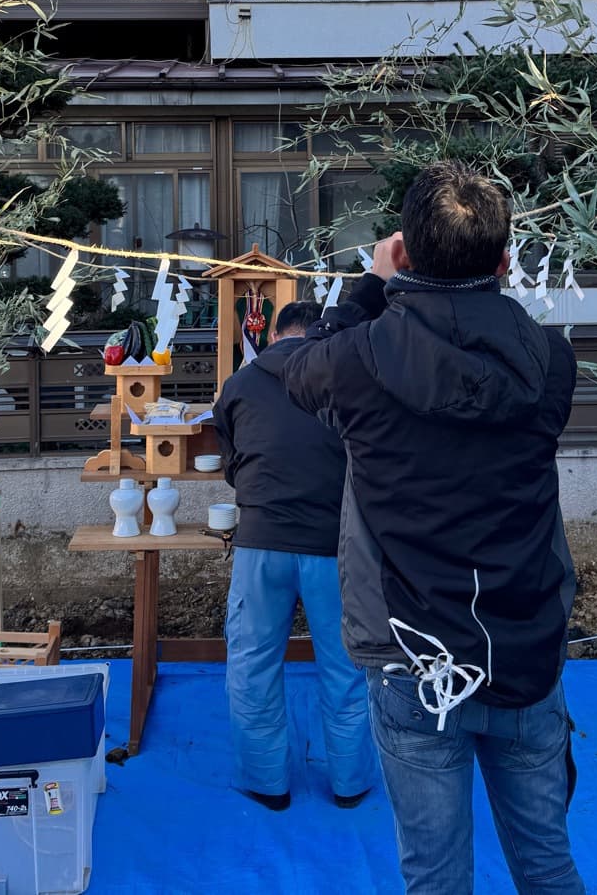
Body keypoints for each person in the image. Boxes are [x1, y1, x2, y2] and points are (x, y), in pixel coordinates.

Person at [284, 161, 583, 894]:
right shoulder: (552, 361)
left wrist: (372, 284)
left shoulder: (358, 360)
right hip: (522, 641)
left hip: (413, 656)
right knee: (546, 861)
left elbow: (294, 371)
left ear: (405, 253)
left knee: (434, 873)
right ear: (505, 262)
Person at [212, 299, 376, 812]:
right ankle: (350, 784)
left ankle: (268, 784)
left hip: (262, 541)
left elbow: (232, 463)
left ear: (274, 335)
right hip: (336, 545)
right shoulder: (347, 380)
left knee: (253, 665)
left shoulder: (239, 384)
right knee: (347, 667)